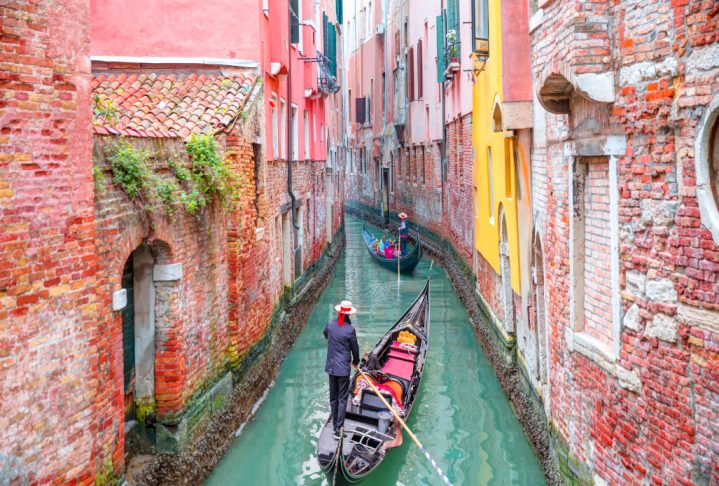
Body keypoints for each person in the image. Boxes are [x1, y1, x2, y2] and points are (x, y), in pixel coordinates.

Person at [324, 300, 360, 439]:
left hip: (331, 367)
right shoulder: (350, 330)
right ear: (348, 314)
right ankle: (338, 428)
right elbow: (354, 349)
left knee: (333, 397)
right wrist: (356, 362)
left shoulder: (330, 325)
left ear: (339, 312)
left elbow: (326, 334)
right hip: (343, 369)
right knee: (342, 398)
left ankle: (335, 425)